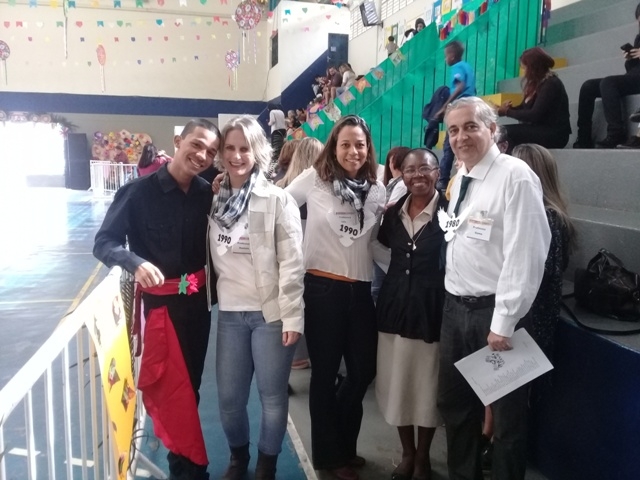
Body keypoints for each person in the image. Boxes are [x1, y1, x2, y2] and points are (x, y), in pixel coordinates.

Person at [93, 119, 220, 480]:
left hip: (197, 309)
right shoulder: (137, 193)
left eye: (211, 152)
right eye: (197, 145)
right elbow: (104, 242)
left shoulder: (208, 193)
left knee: (190, 389)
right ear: (178, 141)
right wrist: (133, 262)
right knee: (170, 391)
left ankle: (186, 464)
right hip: (159, 311)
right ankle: (189, 470)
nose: (202, 155)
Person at [437, 97, 551, 480]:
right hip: (455, 311)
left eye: (470, 126)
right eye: (454, 130)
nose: (461, 137)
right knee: (456, 408)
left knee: (506, 421)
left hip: (495, 316)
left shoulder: (515, 176)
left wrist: (504, 321)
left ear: (492, 129)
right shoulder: (461, 177)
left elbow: (527, 251)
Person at [285, 115, 385, 480]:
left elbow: (373, 243)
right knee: (324, 375)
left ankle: (341, 444)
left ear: (368, 148)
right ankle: (331, 456)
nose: (353, 151)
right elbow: (280, 205)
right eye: (345, 144)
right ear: (334, 146)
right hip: (322, 289)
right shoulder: (316, 179)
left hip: (360, 291)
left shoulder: (377, 189)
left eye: (360, 144)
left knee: (362, 372)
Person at [208, 115, 305, 480]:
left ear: (258, 152)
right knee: (230, 400)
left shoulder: (278, 199)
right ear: (221, 152)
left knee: (272, 397)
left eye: (245, 149)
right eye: (230, 148)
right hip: (230, 314)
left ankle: (267, 465)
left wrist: (293, 315)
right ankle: (238, 457)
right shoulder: (213, 199)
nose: (237, 156)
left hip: (270, 314)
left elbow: (293, 262)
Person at [375, 148, 447, 480]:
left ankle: (423, 457)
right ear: (401, 175)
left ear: (437, 173)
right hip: (394, 310)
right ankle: (407, 453)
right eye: (410, 170)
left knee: (426, 388)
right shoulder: (392, 216)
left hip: (432, 312)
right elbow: (381, 249)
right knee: (398, 384)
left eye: (425, 168)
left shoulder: (452, 212)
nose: (417, 175)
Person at [277, 136, 324, 371]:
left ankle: (292, 354)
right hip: (316, 258)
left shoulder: (280, 186)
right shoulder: (321, 187)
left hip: (287, 256)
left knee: (290, 299)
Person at [573, 2, 640, 148]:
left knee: (608, 82)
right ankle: (583, 137)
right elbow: (633, 69)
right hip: (634, 77)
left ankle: (616, 132)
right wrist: (630, 59)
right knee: (588, 86)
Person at [497, 47, 571, 151]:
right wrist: (506, 109)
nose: (523, 72)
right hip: (538, 129)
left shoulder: (551, 84)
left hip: (554, 134)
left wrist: (507, 112)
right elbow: (524, 108)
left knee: (503, 132)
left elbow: (534, 115)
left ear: (533, 68)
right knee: (501, 132)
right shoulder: (537, 83)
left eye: (524, 68)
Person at [435, 40, 477, 192]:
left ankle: (442, 180)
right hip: (471, 105)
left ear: (452, 56)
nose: (445, 59)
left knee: (449, 144)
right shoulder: (467, 66)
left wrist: (445, 106)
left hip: (460, 106)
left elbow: (460, 86)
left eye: (446, 56)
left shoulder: (457, 67)